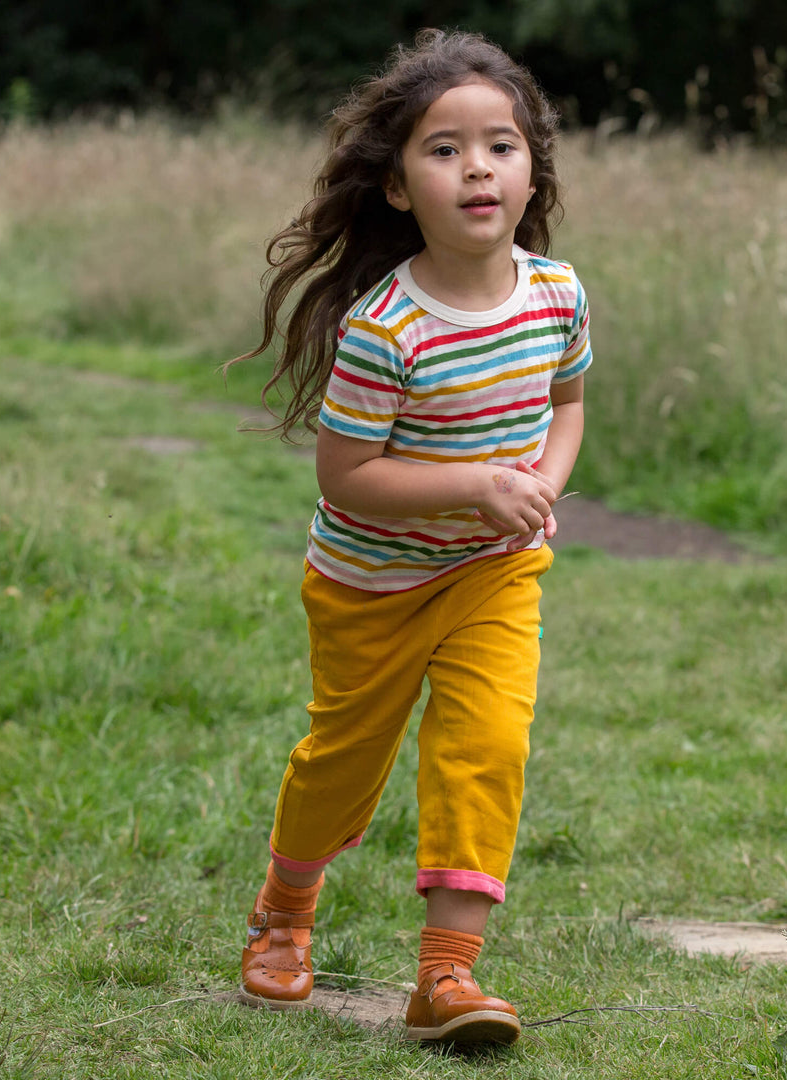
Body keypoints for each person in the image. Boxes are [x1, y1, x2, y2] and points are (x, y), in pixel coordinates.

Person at [230, 27, 591, 1046]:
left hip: (494, 570)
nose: (476, 165)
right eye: (444, 148)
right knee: (345, 759)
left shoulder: (557, 296)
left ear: (531, 173)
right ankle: (283, 915)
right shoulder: (389, 328)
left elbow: (568, 407)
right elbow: (346, 476)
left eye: (501, 145)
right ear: (397, 187)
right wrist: (477, 484)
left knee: (486, 746)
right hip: (368, 584)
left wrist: (536, 490)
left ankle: (446, 979)